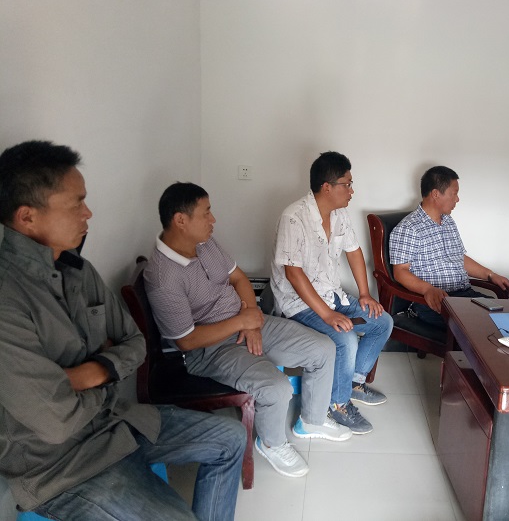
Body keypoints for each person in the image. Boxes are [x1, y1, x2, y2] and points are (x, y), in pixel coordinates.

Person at [0, 141, 246, 521]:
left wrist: (87, 375)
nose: (89, 212)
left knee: (231, 438)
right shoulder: (8, 299)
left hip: (119, 421)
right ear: (27, 217)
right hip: (64, 466)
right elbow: (56, 422)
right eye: (76, 204)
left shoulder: (78, 271)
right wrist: (110, 373)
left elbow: (135, 343)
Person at [144, 182, 350, 480]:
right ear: (181, 220)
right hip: (210, 348)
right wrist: (244, 322)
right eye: (206, 213)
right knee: (276, 387)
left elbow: (240, 279)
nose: (213, 219)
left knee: (323, 348)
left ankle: (312, 421)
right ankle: (271, 443)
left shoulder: (203, 243)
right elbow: (187, 340)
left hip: (247, 319)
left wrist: (250, 320)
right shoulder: (162, 276)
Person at [271, 151, 393, 435]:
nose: (352, 190)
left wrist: (365, 294)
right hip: (298, 303)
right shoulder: (293, 218)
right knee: (345, 339)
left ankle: (352, 383)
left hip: (332, 295)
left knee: (382, 322)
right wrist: (327, 315)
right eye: (347, 184)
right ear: (327, 187)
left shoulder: (339, 214)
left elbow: (354, 251)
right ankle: (337, 405)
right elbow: (293, 274)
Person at [389, 165, 509, 329]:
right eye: (454, 193)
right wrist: (428, 289)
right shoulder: (408, 228)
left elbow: (459, 257)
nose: (457, 199)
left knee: (506, 317)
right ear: (436, 194)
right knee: (483, 326)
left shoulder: (448, 221)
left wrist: (490, 274)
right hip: (433, 302)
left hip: (465, 295)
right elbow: (400, 272)